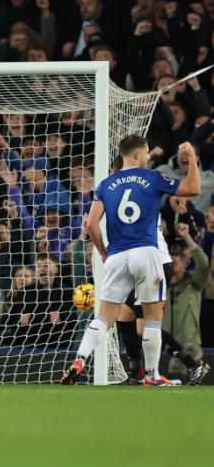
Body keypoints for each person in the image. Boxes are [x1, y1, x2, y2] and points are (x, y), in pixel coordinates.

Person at [62, 136, 200, 386]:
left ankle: (79, 360)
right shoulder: (152, 178)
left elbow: (91, 224)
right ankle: (151, 376)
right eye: (146, 152)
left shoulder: (105, 184)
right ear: (137, 155)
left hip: (116, 256)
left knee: (104, 318)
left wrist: (104, 253)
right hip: (146, 252)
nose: (148, 156)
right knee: (151, 321)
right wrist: (190, 158)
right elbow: (193, 190)